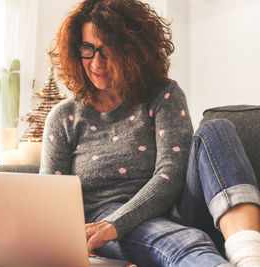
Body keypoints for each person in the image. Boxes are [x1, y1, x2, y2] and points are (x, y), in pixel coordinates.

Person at [39, 0, 260, 266]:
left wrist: (118, 223)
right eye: (88, 48)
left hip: (172, 208)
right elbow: (49, 204)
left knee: (218, 128)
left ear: (133, 51)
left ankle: (249, 254)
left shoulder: (164, 95)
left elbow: (170, 173)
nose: (97, 62)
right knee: (182, 242)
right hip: (103, 221)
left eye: (109, 50)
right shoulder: (64, 117)